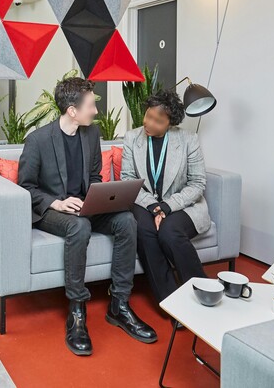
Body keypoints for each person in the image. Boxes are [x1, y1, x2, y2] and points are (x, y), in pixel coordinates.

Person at [17, 77, 156, 356]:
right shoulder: (37, 140)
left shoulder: (91, 134)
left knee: (126, 220)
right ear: (72, 110)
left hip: (85, 206)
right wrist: (57, 203)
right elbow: (26, 187)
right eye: (91, 105)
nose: (95, 111)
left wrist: (98, 198)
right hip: (52, 211)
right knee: (79, 227)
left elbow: (94, 176)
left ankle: (119, 305)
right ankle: (77, 310)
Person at [121, 90, 211, 303]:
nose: (149, 123)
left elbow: (197, 183)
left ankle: (203, 290)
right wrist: (154, 206)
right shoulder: (132, 138)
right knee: (145, 230)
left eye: (158, 121)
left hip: (182, 206)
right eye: (148, 115)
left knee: (169, 232)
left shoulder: (188, 139)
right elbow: (128, 179)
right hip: (144, 204)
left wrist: (167, 206)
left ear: (170, 123)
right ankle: (171, 300)